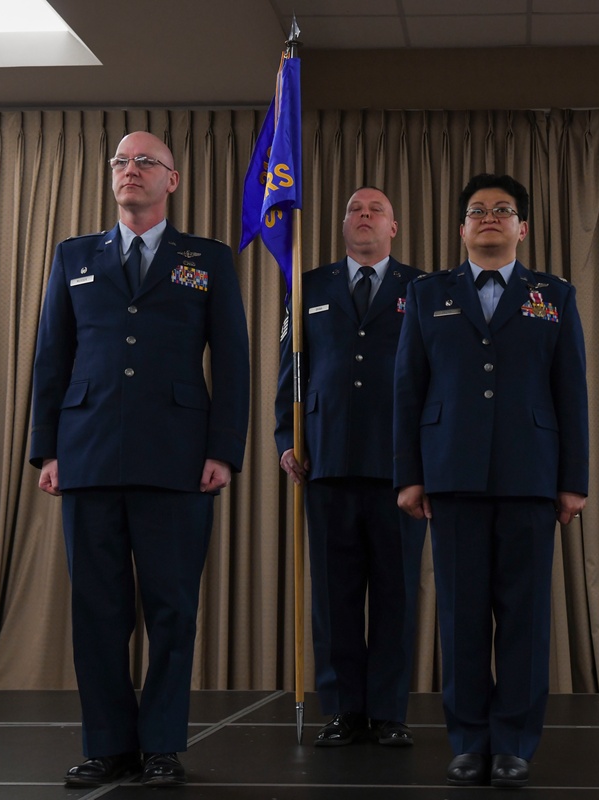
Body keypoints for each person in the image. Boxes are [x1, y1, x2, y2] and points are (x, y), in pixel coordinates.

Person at [29, 131, 250, 788]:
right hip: (88, 452)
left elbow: (232, 361)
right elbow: (52, 359)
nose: (130, 170)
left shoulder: (206, 258)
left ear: (172, 181)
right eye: (121, 161)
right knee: (98, 611)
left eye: (145, 161)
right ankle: (109, 746)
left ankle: (160, 745)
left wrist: (224, 450)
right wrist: (46, 449)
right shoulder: (74, 255)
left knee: (172, 607)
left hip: (178, 457)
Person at [394, 173, 589, 788]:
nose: (489, 218)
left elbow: (571, 391)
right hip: (450, 473)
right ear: (461, 227)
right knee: (461, 615)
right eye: (477, 210)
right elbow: (408, 390)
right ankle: (468, 739)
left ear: (522, 227)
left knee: (525, 617)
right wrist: (410, 476)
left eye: (503, 210)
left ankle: (513, 742)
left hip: (531, 474)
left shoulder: (553, 293)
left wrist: (572, 480)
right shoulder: (427, 294)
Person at [275, 187, 427, 748]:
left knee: (397, 592)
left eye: (375, 211)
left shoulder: (423, 288)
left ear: (393, 227)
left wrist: (425, 456)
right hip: (327, 458)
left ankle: (388, 711)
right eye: (354, 211)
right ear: (343, 226)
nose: (363, 217)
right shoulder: (308, 285)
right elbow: (291, 366)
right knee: (335, 596)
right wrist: (288, 435)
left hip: (398, 465)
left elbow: (433, 376)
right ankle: (342, 709)